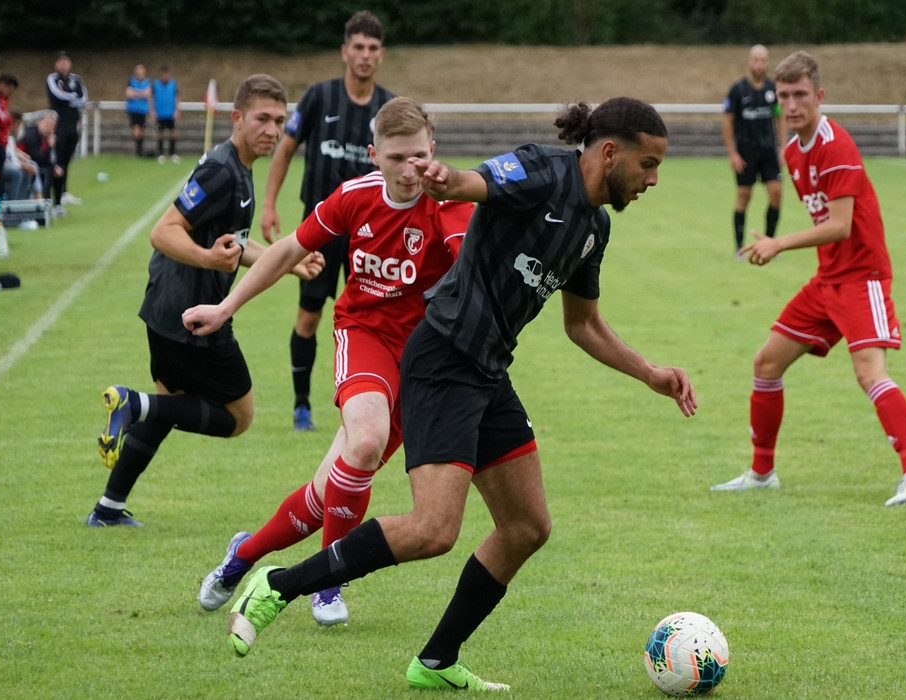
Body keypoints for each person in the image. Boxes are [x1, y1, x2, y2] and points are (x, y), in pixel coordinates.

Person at [222, 97, 698, 691]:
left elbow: (584, 326)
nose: (652, 179)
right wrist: (447, 178)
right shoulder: (540, 170)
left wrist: (650, 371)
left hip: (488, 369)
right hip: (443, 357)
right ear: (610, 152)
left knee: (527, 526)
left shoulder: (593, 229)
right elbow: (475, 183)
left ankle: (436, 660)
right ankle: (280, 584)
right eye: (648, 164)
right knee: (433, 530)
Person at [185, 97, 472, 626]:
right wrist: (225, 307)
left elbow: (480, 276)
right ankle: (328, 582)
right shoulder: (354, 196)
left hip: (424, 364)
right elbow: (287, 250)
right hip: (363, 334)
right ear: (373, 155)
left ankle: (243, 555)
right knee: (363, 441)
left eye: (418, 156)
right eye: (394, 158)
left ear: (433, 150)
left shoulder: (451, 205)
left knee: (325, 496)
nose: (409, 170)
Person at [85, 74, 324, 528]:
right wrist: (207, 261)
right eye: (262, 119)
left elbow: (232, 245)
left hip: (165, 310)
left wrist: (288, 263)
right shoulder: (221, 171)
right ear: (236, 118)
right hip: (194, 317)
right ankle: (133, 405)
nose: (272, 130)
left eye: (279, 120)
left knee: (167, 406)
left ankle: (108, 508)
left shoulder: (239, 167)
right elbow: (163, 232)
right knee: (239, 417)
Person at [711, 51, 906, 507]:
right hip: (829, 279)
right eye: (785, 96)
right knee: (766, 364)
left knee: (869, 372)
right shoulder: (794, 151)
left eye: (801, 95)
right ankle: (761, 473)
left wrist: (777, 243)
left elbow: (840, 225)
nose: (792, 104)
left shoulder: (835, 145)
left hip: (863, 277)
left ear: (819, 96)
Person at [260, 9, 394, 432]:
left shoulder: (388, 107)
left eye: (373, 48)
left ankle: (372, 405)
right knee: (310, 316)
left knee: (373, 321)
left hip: (371, 235)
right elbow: (284, 149)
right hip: (318, 229)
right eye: (358, 47)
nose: (365, 55)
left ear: (381, 55)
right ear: (344, 51)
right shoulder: (319, 96)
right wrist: (269, 204)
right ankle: (302, 406)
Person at [721, 44, 786, 258]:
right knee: (744, 196)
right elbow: (727, 121)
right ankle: (739, 247)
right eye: (756, 60)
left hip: (768, 151)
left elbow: (780, 116)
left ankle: (770, 244)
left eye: (763, 60)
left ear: (767, 63)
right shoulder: (738, 90)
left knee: (776, 193)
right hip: (745, 151)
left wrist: (783, 146)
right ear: (750, 62)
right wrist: (733, 153)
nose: (759, 64)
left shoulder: (772, 90)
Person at [46, 51, 88, 216]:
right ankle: (53, 200)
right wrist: (72, 97)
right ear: (56, 64)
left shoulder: (76, 79)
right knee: (56, 161)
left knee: (66, 161)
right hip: (58, 126)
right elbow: (57, 96)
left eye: (66, 61)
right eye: (60, 61)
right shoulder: (52, 79)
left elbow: (83, 98)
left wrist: (70, 98)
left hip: (72, 126)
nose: (63, 64)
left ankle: (63, 193)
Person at [18, 110, 58, 200]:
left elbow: (50, 159)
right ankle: (41, 200)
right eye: (47, 123)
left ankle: (55, 202)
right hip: (22, 161)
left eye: (52, 125)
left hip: (35, 164)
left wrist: (55, 165)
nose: (49, 127)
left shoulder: (46, 137)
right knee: (39, 168)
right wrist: (50, 147)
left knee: (56, 170)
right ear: (39, 121)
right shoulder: (31, 134)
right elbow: (37, 158)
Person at [0, 109, 37, 201]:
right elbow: (6, 160)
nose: (15, 126)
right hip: (0, 169)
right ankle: (12, 205)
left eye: (18, 124)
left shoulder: (11, 138)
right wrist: (21, 165)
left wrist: (24, 164)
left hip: (9, 166)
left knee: (29, 168)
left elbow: (12, 158)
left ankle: (21, 204)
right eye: (14, 123)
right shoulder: (2, 136)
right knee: (17, 173)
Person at [152, 66, 181, 164]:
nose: (165, 76)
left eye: (166, 74)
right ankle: (160, 154)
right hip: (160, 113)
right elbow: (152, 98)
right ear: (161, 75)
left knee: (173, 133)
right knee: (160, 134)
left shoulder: (173, 84)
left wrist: (176, 110)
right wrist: (153, 111)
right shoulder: (155, 84)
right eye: (163, 74)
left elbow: (176, 97)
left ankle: (172, 153)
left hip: (170, 113)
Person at [125, 63, 152, 157]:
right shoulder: (131, 81)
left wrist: (135, 93)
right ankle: (138, 150)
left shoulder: (148, 82)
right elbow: (129, 94)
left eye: (141, 70)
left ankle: (140, 150)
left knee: (142, 130)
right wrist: (142, 94)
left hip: (144, 109)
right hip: (133, 109)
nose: (139, 72)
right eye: (138, 70)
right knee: (136, 129)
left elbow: (148, 94)